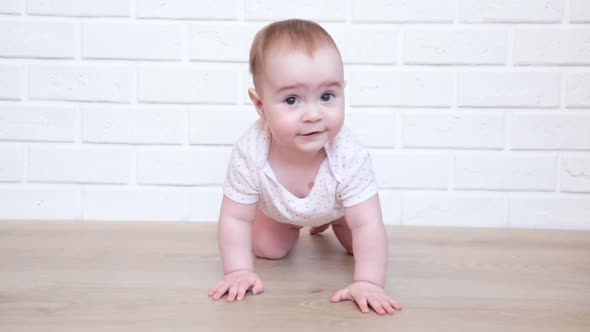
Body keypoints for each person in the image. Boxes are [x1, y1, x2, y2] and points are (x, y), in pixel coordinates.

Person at [208, 19, 403, 315]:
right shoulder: (250, 151)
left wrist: (368, 282)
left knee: (358, 244)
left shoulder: (348, 154)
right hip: (280, 211)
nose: (313, 114)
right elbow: (235, 218)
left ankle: (333, 220)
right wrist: (237, 271)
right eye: (291, 99)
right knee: (267, 250)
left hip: (339, 208)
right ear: (260, 105)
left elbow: (368, 223)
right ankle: (291, 221)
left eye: (327, 96)